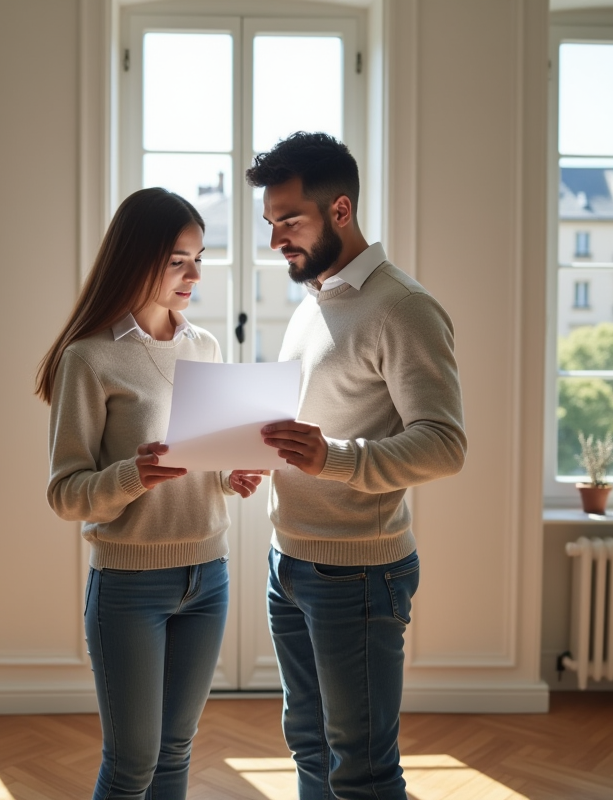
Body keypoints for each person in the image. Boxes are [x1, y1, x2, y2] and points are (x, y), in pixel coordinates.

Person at [246, 132, 468, 799]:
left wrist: (331, 457)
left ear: (339, 210)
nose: (276, 238)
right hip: (289, 561)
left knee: (363, 770)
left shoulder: (404, 307)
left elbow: (444, 443)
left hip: (358, 572)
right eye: (270, 223)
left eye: (289, 220)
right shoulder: (314, 301)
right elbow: (321, 417)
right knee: (309, 743)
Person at [37, 187, 263, 800]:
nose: (195, 276)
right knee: (132, 763)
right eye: (177, 262)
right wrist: (132, 476)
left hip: (208, 577)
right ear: (138, 260)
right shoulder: (89, 358)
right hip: (129, 585)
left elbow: (203, 459)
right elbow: (65, 494)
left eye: (199, 259)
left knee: (175, 751)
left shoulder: (205, 347)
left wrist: (229, 476)